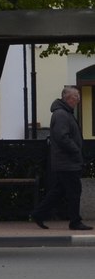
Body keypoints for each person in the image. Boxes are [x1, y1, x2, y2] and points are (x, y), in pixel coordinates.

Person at [32, 85, 92, 231]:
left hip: (66, 161)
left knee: (59, 190)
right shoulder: (61, 114)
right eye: (75, 97)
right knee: (73, 191)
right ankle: (75, 222)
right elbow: (62, 137)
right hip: (67, 162)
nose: (78, 100)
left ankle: (38, 214)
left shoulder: (65, 113)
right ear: (67, 98)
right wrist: (76, 150)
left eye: (78, 97)